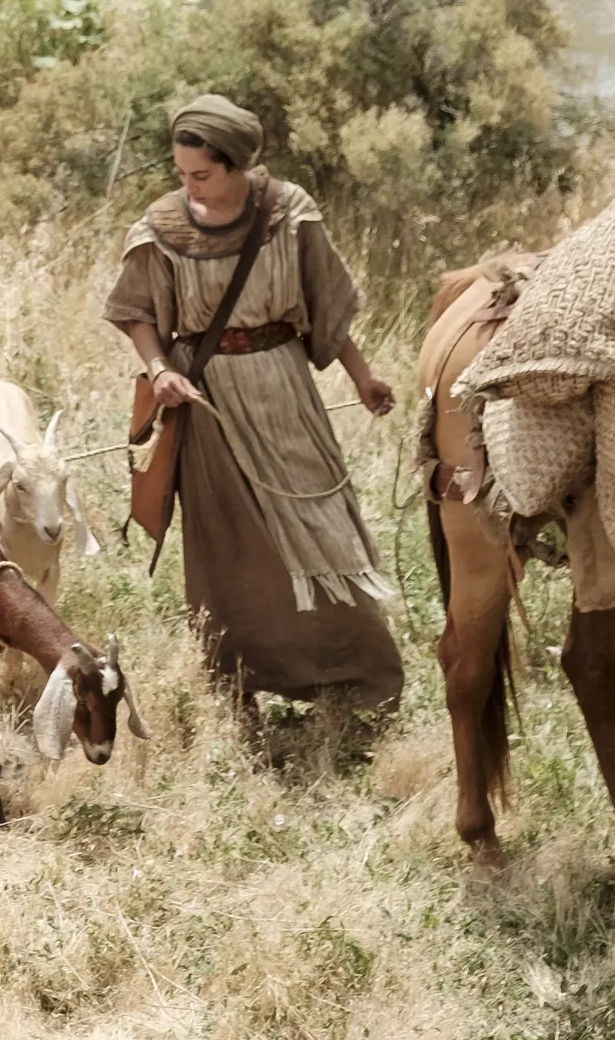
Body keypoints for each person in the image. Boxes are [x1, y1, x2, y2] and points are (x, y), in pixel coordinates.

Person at [105, 93, 405, 714]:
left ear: (238, 165)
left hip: (284, 388)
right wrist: (160, 371)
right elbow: (137, 313)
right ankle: (239, 679)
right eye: (181, 173)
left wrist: (362, 378)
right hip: (206, 397)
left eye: (202, 175)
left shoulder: (290, 214)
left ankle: (354, 676)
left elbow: (325, 305)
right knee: (230, 542)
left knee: (321, 523)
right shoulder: (160, 228)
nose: (189, 186)